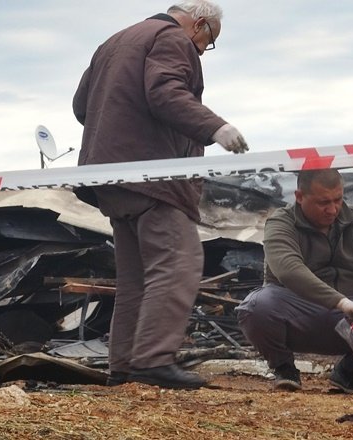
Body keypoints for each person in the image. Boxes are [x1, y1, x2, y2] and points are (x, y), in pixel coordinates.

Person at [72, 0, 248, 390]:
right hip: (153, 177)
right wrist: (215, 128)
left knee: (136, 277)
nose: (203, 50)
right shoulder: (172, 39)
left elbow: (81, 106)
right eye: (208, 42)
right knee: (178, 264)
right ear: (199, 25)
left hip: (110, 177)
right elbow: (166, 92)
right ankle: (151, 361)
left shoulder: (113, 42)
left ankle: (124, 366)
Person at [236, 169, 353, 393]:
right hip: (301, 312)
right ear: (299, 196)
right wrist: (341, 303)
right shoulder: (281, 223)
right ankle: (284, 368)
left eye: (338, 199)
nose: (333, 209)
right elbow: (289, 270)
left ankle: (348, 370)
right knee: (256, 307)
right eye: (323, 202)